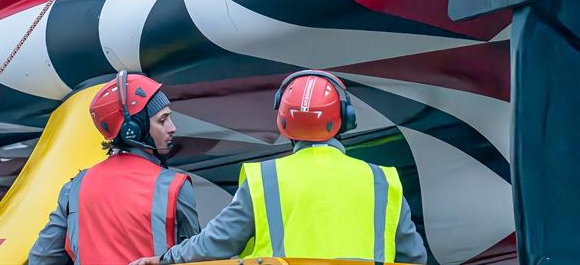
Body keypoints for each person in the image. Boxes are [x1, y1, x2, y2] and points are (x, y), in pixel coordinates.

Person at [131, 70, 427, 265]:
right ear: (345, 119)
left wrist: (166, 259)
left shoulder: (266, 179)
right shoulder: (381, 181)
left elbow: (216, 243)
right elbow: (413, 258)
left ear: (283, 123)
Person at [30, 71, 200, 265]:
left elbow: (42, 258)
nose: (172, 127)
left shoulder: (74, 188)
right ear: (133, 130)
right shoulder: (174, 186)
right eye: (162, 120)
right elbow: (198, 258)